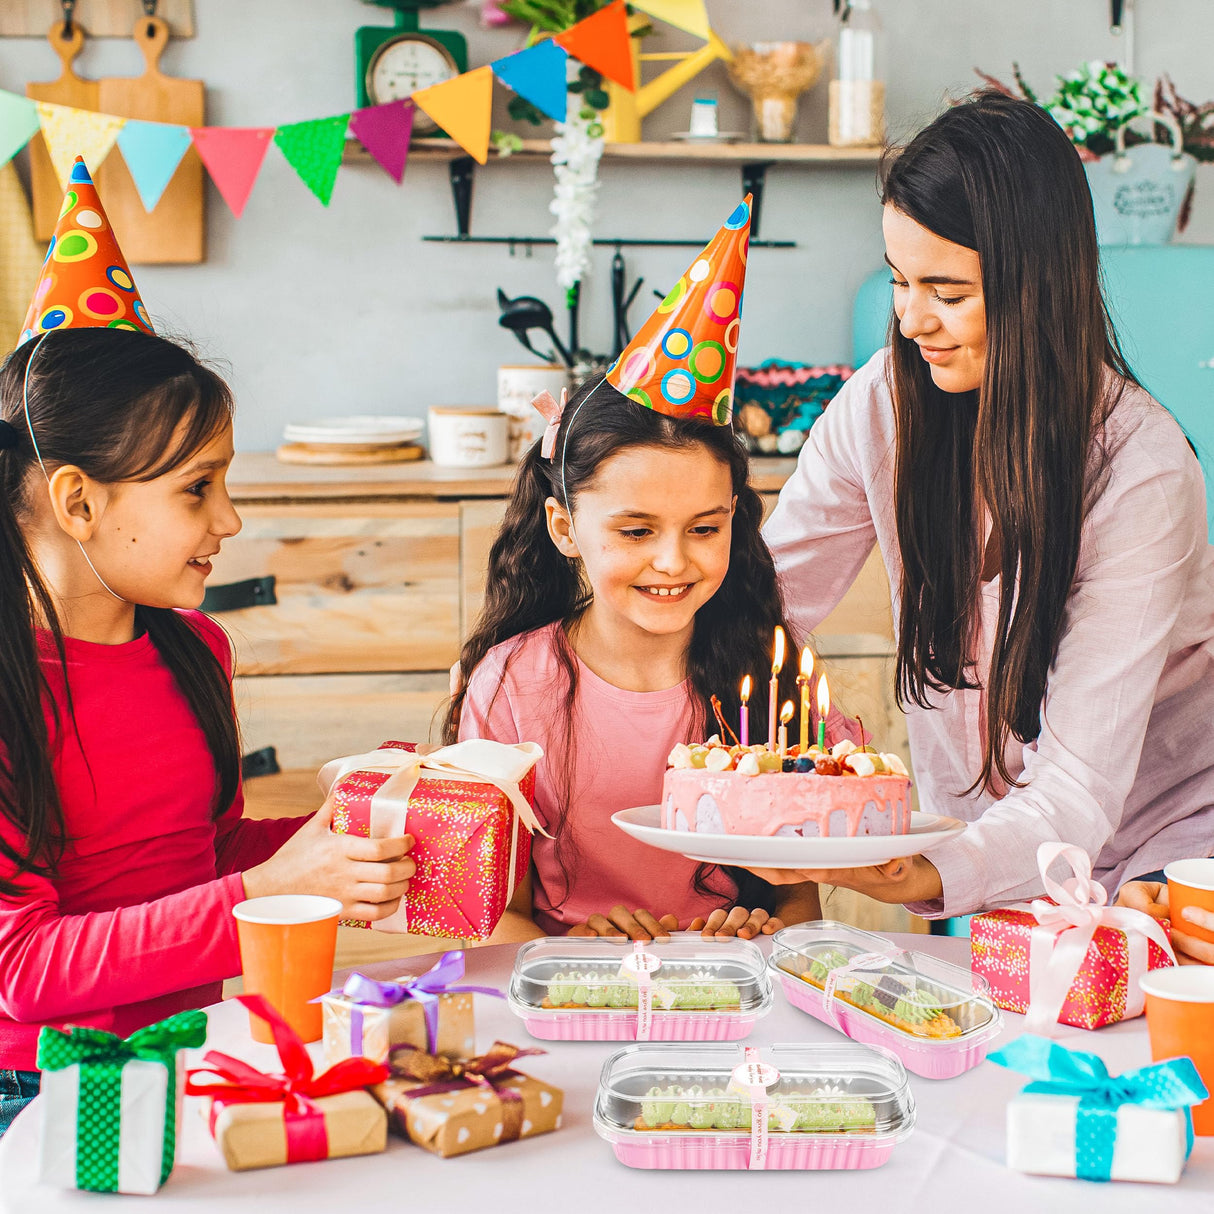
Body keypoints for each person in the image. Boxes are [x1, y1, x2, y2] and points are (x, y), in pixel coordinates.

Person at [0, 161, 413, 1138]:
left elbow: (205, 853)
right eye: (196, 487)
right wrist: (271, 890)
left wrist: (347, 826)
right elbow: (22, 971)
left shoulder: (194, 648)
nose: (229, 517)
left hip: (198, 1045)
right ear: (76, 500)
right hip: (40, 1089)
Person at [757, 92, 1214, 919]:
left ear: (1036, 285)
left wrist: (928, 873)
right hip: (996, 844)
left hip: (1172, 847)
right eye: (900, 280)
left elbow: (1076, 785)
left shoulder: (1140, 471)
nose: (910, 318)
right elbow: (760, 605)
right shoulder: (881, 407)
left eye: (947, 291)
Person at [448, 198, 848, 943]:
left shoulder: (771, 677)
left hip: (736, 996)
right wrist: (571, 951)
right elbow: (492, 915)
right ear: (566, 527)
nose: (673, 561)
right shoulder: (512, 688)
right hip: (568, 1005)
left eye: (705, 528)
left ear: (736, 516)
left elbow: (800, 904)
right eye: (635, 530)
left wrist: (761, 931)